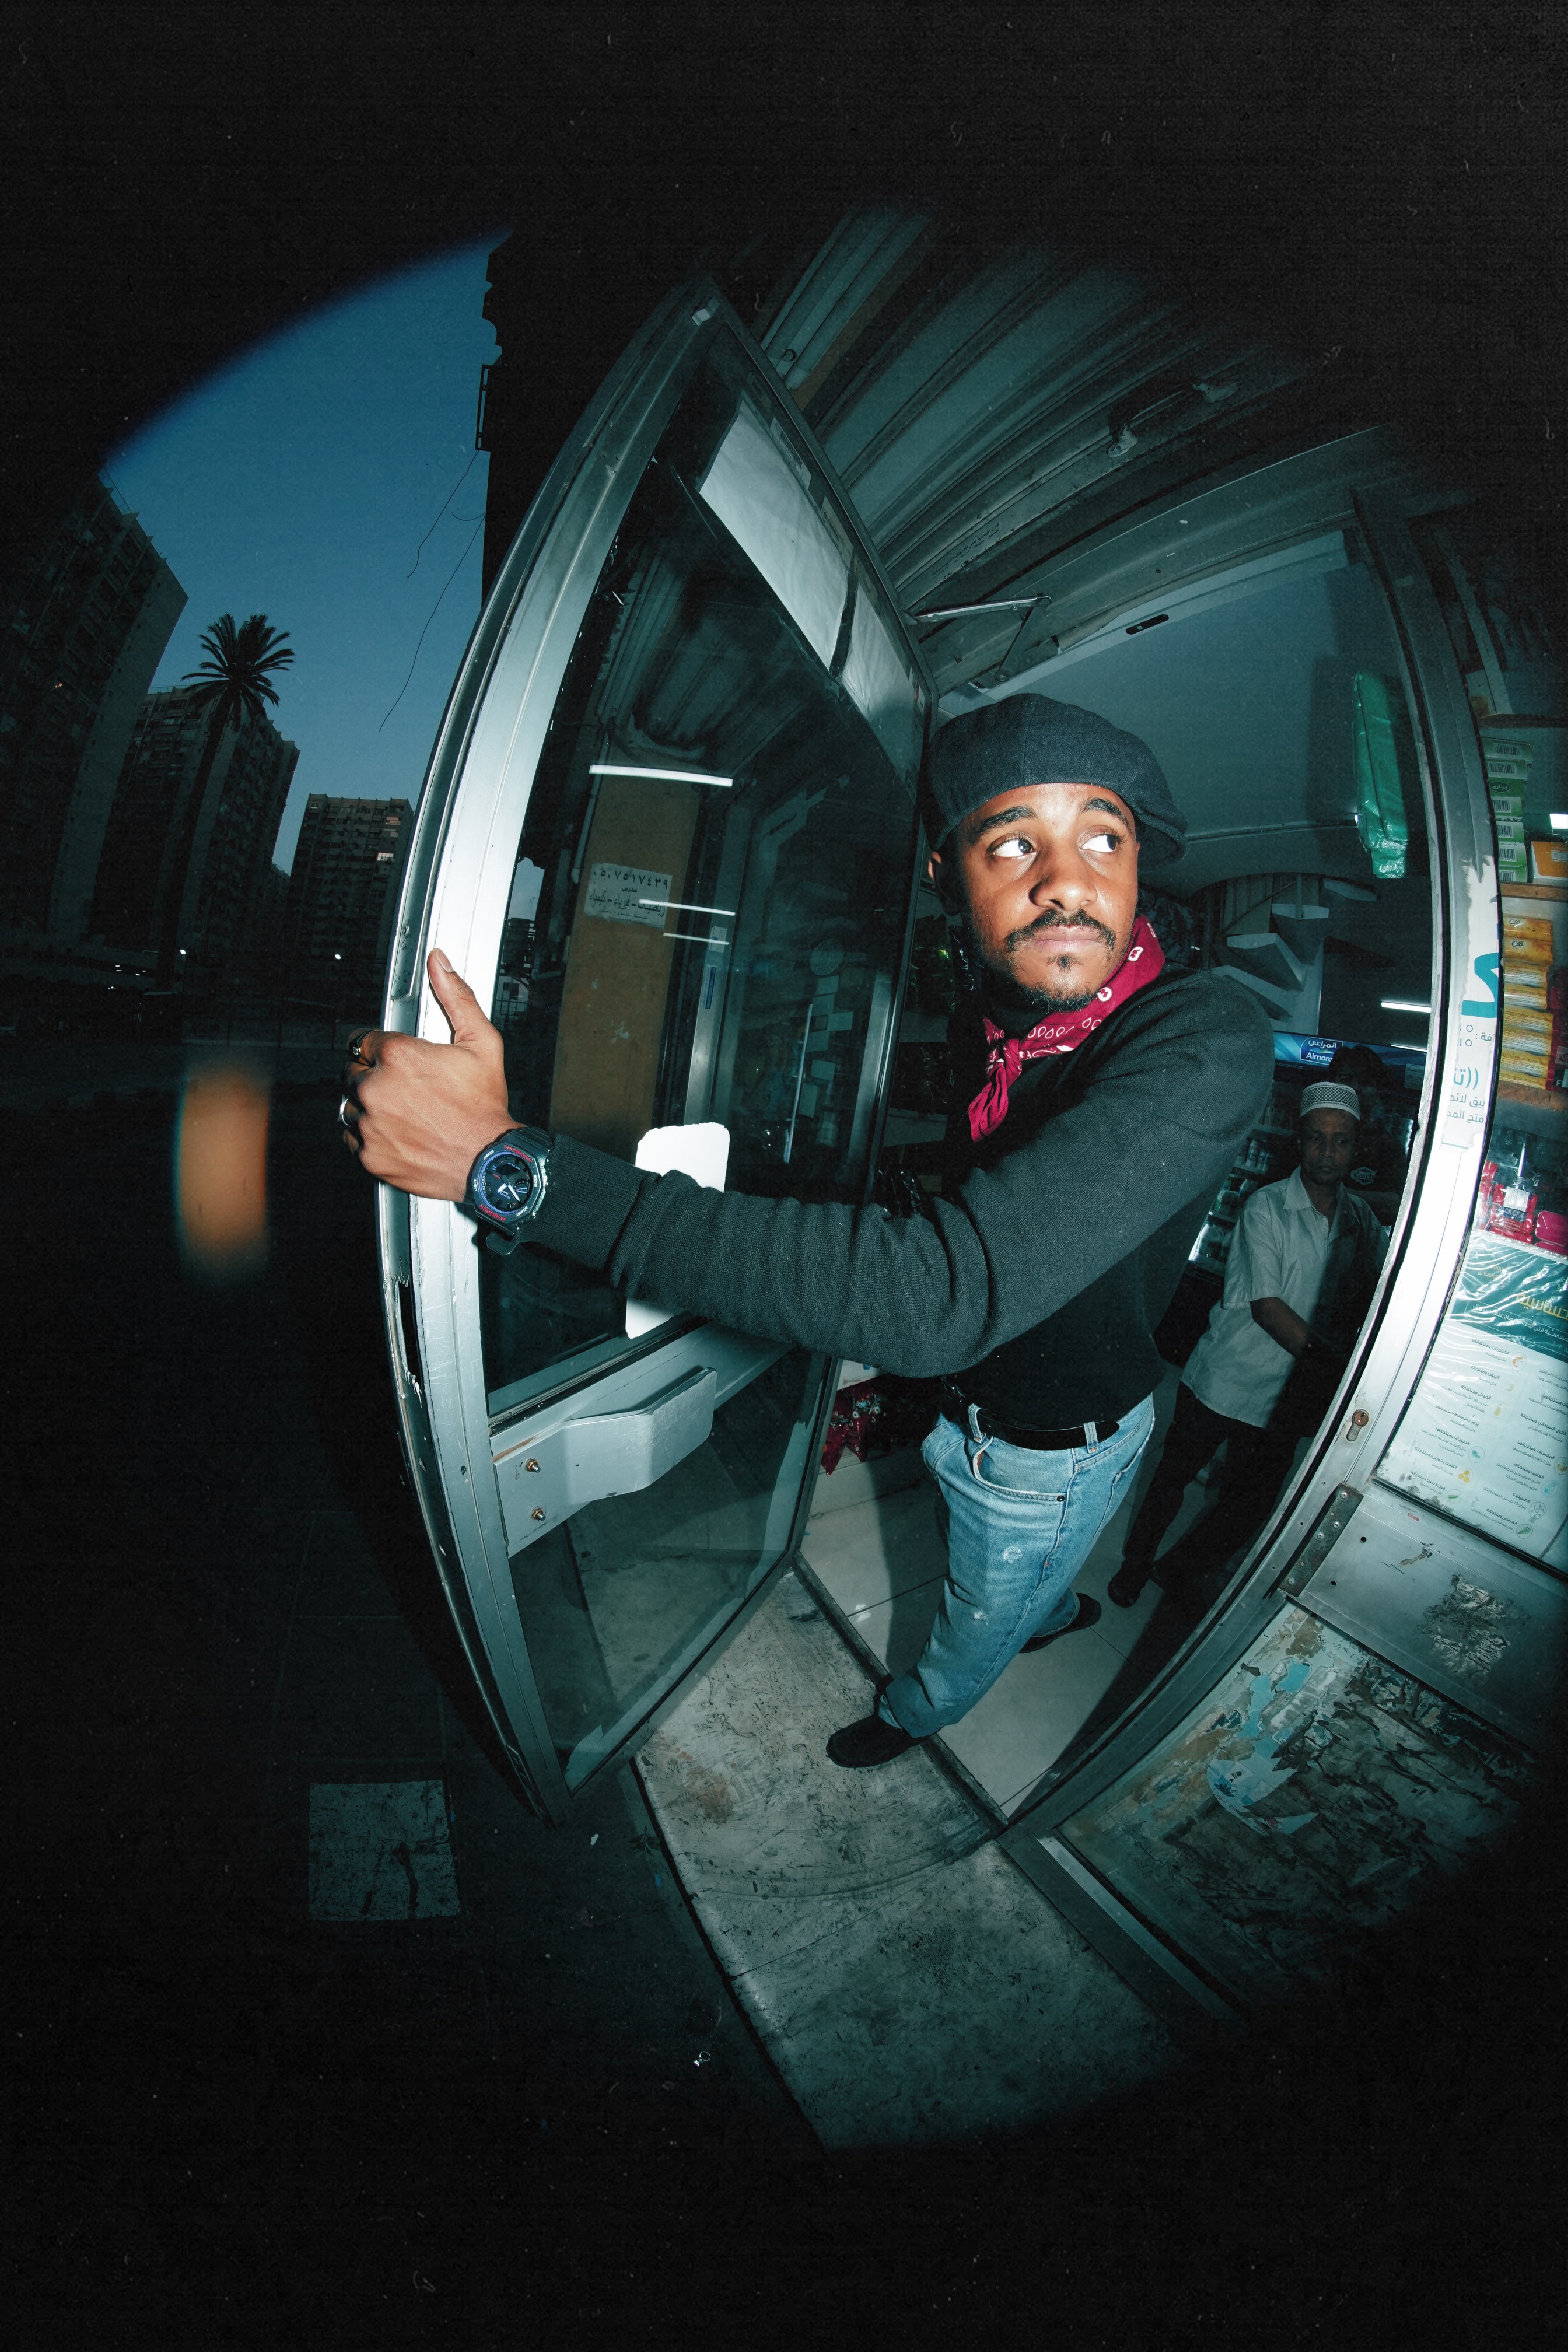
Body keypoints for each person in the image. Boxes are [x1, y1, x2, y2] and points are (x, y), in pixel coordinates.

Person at [340, 693, 1273, 1767]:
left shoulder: (1203, 1035)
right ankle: (1049, 1602)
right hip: (972, 1404)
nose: (1066, 880)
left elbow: (940, 1294)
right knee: (1009, 1572)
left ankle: (920, 1712)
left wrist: (511, 1170)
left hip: (1051, 1450)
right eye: (1014, 842)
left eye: (1103, 838)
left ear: (1141, 861)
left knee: (979, 1611)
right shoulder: (999, 1023)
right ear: (946, 877)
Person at [1106, 1079, 1388, 1608]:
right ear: (1300, 1141)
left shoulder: (1362, 1223)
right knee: (1172, 1480)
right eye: (1317, 1138)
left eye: (1340, 1141)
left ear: (1356, 1147)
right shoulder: (1267, 1207)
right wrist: (1339, 1369)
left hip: (1285, 1398)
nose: (1327, 1152)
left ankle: (1176, 1570)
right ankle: (1135, 1566)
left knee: (1249, 1505)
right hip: (1226, 1378)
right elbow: (1267, 1308)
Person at [1326, 1043, 1408, 1224]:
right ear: (1331, 1086)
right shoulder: (1305, 1138)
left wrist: (1330, 1194)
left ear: (1377, 1094)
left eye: (1366, 1082)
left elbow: (1396, 1207)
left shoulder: (1389, 1149)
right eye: (1346, 1079)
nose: (1356, 1089)